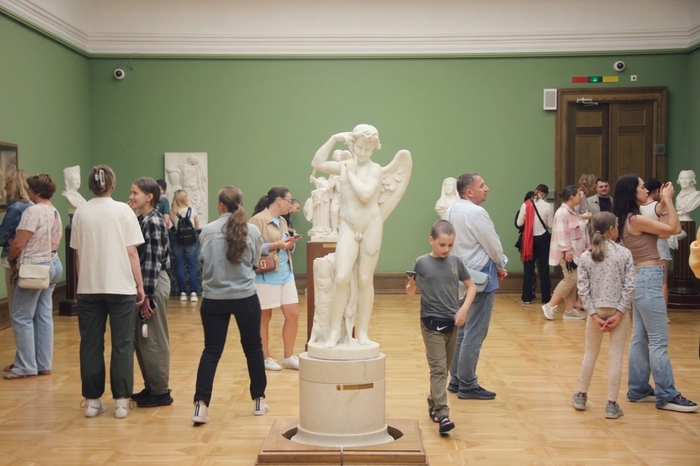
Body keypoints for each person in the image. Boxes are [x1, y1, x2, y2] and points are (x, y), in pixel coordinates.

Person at [613, 174, 698, 412]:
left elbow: (663, 232)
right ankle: (667, 394)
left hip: (640, 278)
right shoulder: (636, 219)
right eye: (642, 187)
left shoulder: (627, 218)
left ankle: (639, 389)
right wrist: (668, 199)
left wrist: (662, 206)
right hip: (648, 279)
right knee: (659, 340)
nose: (646, 190)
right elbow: (675, 229)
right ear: (632, 192)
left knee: (640, 337)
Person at [71, 165, 146, 418]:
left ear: (91, 186)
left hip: (89, 287)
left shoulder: (81, 212)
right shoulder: (124, 211)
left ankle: (92, 401)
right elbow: (131, 252)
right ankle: (122, 401)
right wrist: (139, 285)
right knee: (122, 343)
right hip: (121, 286)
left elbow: (78, 255)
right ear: (112, 185)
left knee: (90, 344)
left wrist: (83, 283)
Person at [193, 186, 267, 424]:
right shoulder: (252, 231)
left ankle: (200, 406)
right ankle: (259, 400)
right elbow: (254, 262)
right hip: (245, 297)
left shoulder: (207, 231)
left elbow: (202, 261)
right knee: (253, 348)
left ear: (221, 205)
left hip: (213, 299)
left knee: (211, 351)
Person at [406, 219, 477, 434]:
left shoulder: (456, 262)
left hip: (452, 322)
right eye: (442, 244)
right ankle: (443, 414)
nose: (446, 249)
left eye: (450, 245)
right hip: (430, 322)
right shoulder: (421, 263)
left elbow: (471, 287)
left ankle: (433, 401)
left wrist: (463, 309)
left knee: (444, 368)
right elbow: (411, 292)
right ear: (431, 240)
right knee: (438, 369)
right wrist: (411, 284)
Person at [445, 172, 507, 400]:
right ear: (470, 192)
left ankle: (456, 379)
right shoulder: (477, 212)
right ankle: (468, 383)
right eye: (482, 185)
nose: (486, 188)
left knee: (463, 331)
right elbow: (493, 244)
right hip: (480, 277)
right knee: (475, 332)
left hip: (459, 276)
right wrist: (500, 264)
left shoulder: (450, 210)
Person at [572, 212, 634, 419]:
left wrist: (593, 314)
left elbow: (582, 288)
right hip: (618, 311)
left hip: (596, 311)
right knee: (616, 356)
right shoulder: (624, 253)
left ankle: (581, 395)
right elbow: (629, 286)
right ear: (611, 229)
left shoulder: (586, 256)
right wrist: (620, 312)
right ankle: (611, 404)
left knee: (590, 353)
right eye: (617, 225)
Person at [4, 174, 63, 379]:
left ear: (35, 191)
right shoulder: (53, 210)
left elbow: (19, 243)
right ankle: (43, 363)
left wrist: (11, 259)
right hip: (53, 264)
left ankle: (25, 366)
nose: (27, 191)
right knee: (43, 315)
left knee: (21, 316)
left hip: (35, 267)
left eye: (30, 188)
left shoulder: (33, 211)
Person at [127, 177, 173, 408]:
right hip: (147, 283)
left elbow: (152, 261)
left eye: (136, 193)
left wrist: (146, 294)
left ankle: (161, 391)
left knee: (153, 337)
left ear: (149, 197)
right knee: (144, 339)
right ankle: (152, 387)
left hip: (153, 282)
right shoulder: (142, 219)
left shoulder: (153, 221)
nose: (131, 197)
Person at [249, 186, 300, 371]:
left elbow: (286, 246)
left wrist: (290, 244)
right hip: (266, 275)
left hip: (286, 274)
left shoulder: (283, 221)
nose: (290, 205)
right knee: (264, 316)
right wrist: (274, 245)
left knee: (293, 314)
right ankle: (265, 357)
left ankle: (288, 356)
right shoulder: (257, 220)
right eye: (288, 201)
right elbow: (251, 247)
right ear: (279, 200)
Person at [541, 186, 589, 321]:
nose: (581, 197)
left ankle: (569, 310)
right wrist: (567, 251)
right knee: (570, 279)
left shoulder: (573, 212)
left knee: (573, 280)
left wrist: (587, 247)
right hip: (568, 255)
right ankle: (550, 305)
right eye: (578, 194)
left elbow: (581, 231)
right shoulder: (562, 213)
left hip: (577, 253)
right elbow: (562, 235)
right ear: (572, 197)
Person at [0, 170, 32, 365]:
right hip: (30, 262)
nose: (5, 188)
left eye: (7, 184)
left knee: (16, 312)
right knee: (29, 314)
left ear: (14, 186)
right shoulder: (32, 206)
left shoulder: (15, 208)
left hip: (13, 261)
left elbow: (2, 237)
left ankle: (23, 359)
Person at [516, 184, 552, 305]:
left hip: (529, 238)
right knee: (544, 269)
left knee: (528, 268)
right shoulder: (547, 206)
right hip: (543, 238)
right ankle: (546, 298)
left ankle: (527, 297)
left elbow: (519, 223)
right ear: (544, 194)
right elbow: (550, 225)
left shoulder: (526, 204)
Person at [640, 178, 672, 305]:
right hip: (659, 244)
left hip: (643, 246)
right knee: (662, 282)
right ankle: (662, 311)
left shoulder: (638, 207)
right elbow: (666, 231)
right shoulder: (659, 206)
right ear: (657, 191)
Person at [170, 189, 200, 302]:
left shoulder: (173, 212)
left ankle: (182, 292)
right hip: (191, 241)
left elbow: (174, 227)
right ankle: (193, 293)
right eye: (186, 196)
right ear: (183, 198)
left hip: (178, 241)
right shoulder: (192, 210)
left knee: (180, 266)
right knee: (192, 266)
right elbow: (196, 226)